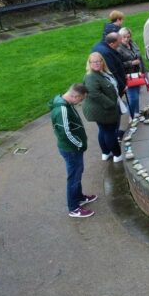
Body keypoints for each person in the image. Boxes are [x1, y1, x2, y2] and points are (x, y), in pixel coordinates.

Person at [49, 83, 96, 218]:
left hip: (73, 148)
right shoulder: (62, 109)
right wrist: (79, 145)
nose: (80, 102)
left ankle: (79, 197)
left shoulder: (66, 104)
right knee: (74, 177)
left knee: (77, 173)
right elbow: (66, 133)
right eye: (81, 99)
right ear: (75, 96)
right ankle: (74, 208)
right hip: (71, 149)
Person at [83, 52, 123, 163]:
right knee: (110, 132)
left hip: (100, 110)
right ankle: (117, 155)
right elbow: (95, 94)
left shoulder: (99, 73)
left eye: (99, 61)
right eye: (94, 62)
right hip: (103, 111)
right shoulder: (91, 77)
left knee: (103, 131)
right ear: (89, 63)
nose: (97, 63)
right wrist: (110, 104)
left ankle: (105, 153)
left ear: (102, 61)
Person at [117, 27, 144, 118]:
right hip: (128, 76)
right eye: (124, 37)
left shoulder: (133, 44)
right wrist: (131, 63)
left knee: (137, 94)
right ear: (120, 37)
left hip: (137, 74)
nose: (126, 39)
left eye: (128, 37)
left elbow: (139, 56)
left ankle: (136, 112)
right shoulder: (118, 48)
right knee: (133, 98)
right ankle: (131, 115)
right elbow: (118, 64)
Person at [91, 31, 126, 96]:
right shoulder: (106, 53)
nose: (120, 45)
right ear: (112, 44)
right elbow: (113, 71)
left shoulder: (101, 45)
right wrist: (122, 86)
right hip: (113, 86)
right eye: (118, 43)